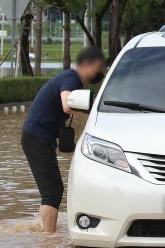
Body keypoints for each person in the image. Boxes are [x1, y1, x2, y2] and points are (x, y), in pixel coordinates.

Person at [21, 46, 106, 232]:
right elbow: (67, 104)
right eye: (98, 67)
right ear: (85, 64)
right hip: (37, 137)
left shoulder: (72, 79)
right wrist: (91, 113)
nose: (101, 72)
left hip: (40, 136)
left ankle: (41, 230)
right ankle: (48, 240)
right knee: (52, 190)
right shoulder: (71, 78)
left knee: (53, 189)